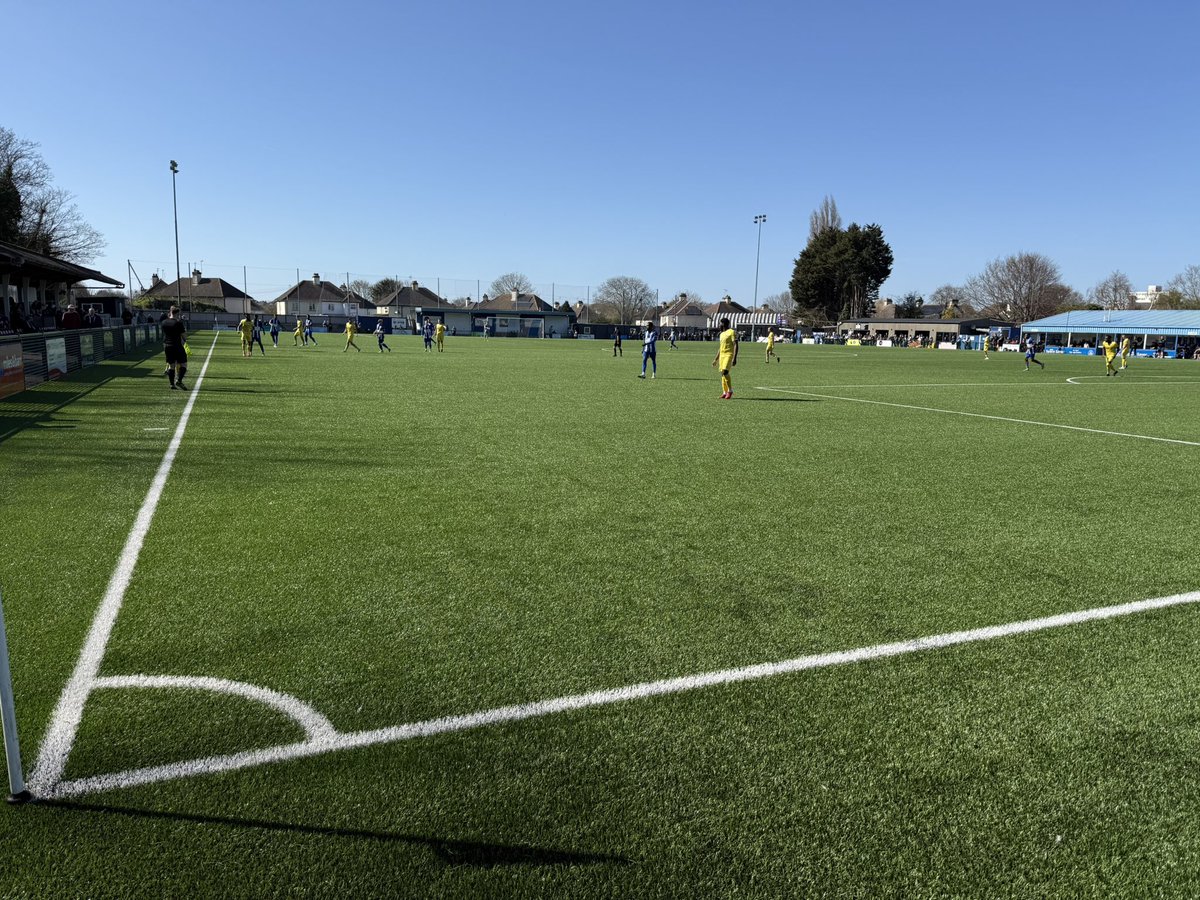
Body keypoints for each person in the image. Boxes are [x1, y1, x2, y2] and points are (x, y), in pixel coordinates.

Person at [161, 305, 188, 389]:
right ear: (178, 313)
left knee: (171, 365)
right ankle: (179, 381)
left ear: (170, 312)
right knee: (183, 364)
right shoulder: (178, 323)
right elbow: (184, 337)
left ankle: (172, 384)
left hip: (167, 346)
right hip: (177, 346)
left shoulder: (164, 322)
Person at [712, 318, 739, 398]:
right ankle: (724, 392)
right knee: (722, 374)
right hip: (722, 356)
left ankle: (730, 390)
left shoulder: (732, 332)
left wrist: (735, 357)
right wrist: (715, 359)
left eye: (720, 324)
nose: (719, 325)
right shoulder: (721, 334)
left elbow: (736, 344)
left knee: (725, 372)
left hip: (728, 354)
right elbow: (720, 348)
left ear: (723, 324)